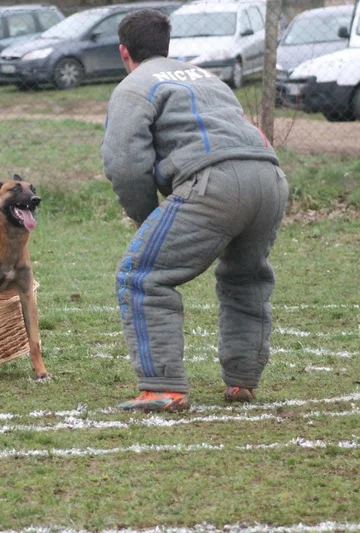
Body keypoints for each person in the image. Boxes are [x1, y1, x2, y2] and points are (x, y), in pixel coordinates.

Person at [101, 9, 289, 412]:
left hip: (215, 182)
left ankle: (162, 386)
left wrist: (146, 217)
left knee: (141, 275)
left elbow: (124, 161)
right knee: (246, 279)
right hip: (270, 178)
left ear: (124, 52)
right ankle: (242, 381)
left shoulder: (134, 86)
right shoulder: (206, 76)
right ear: (168, 47)